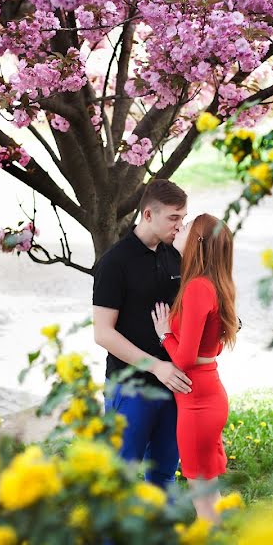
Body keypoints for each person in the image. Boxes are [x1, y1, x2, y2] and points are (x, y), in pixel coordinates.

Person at [92, 179, 192, 489]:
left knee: (163, 475)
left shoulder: (175, 254)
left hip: (173, 384)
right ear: (148, 215)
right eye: (173, 218)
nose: (180, 226)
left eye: (183, 218)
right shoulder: (114, 263)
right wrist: (156, 367)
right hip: (131, 386)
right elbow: (103, 333)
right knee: (119, 479)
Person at [151, 214, 237, 522]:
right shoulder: (215, 283)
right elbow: (210, 347)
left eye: (187, 226)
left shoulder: (198, 288)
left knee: (202, 499)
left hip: (198, 401)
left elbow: (185, 360)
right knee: (209, 493)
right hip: (207, 393)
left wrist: (165, 334)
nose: (180, 227)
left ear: (197, 242)